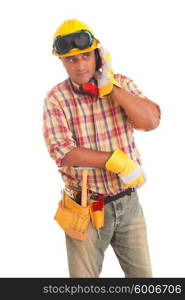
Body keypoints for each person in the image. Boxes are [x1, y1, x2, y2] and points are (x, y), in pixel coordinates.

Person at [42, 18, 161, 278]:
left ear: (98, 53)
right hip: (84, 208)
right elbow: (63, 152)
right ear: (61, 61)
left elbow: (150, 121)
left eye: (86, 56)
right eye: (71, 59)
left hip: (129, 205)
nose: (81, 65)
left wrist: (111, 89)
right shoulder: (57, 99)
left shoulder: (120, 83)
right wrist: (118, 161)